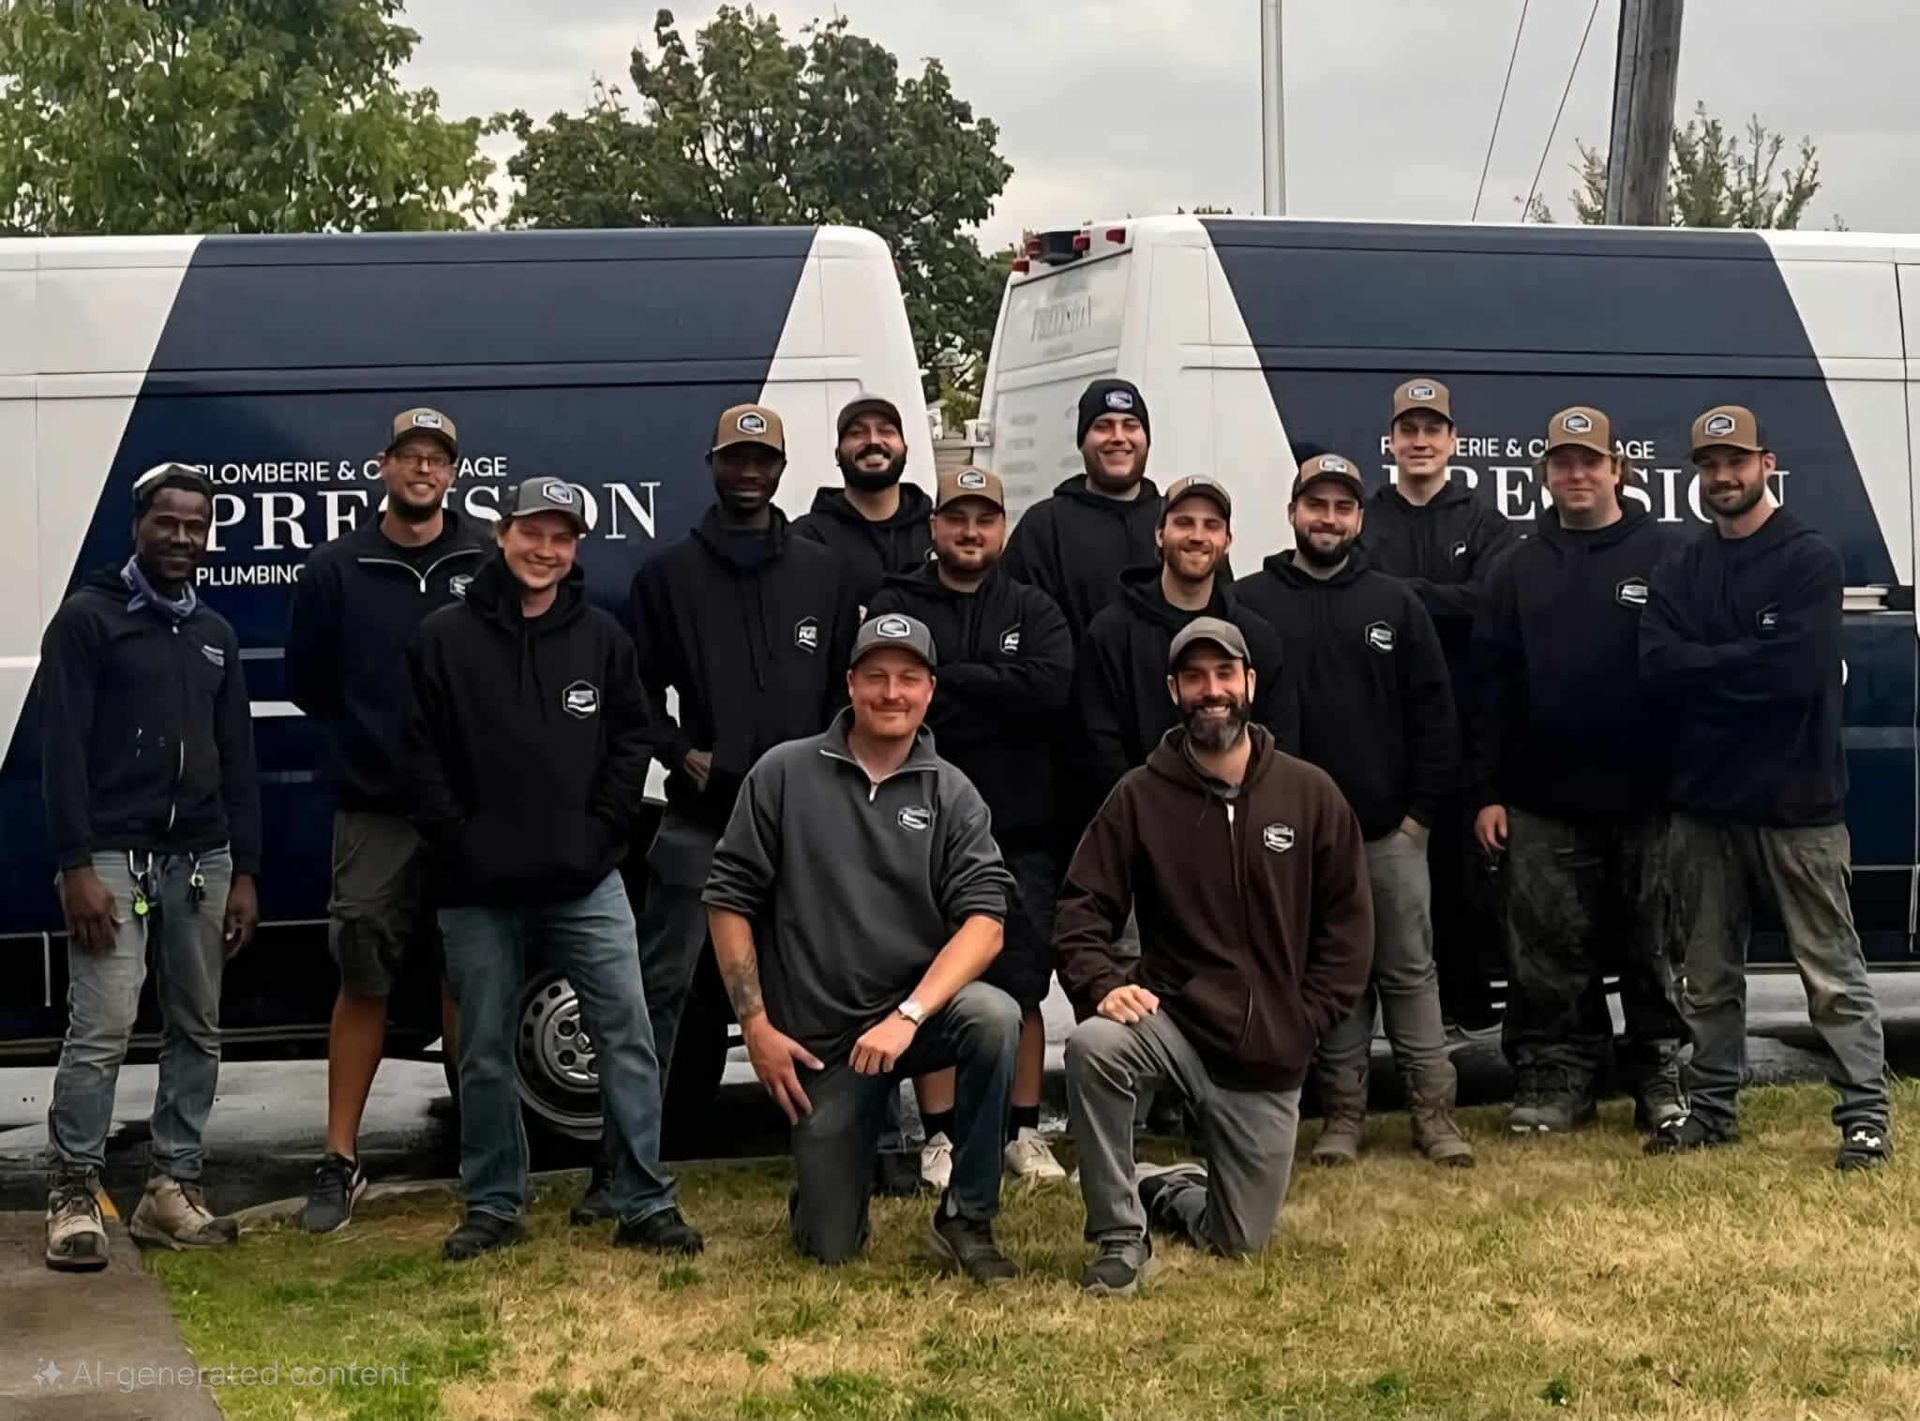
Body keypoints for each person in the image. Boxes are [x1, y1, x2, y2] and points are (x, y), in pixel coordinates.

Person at [405, 478, 702, 1260]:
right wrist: (457, 839)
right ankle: (494, 1201)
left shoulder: (602, 639)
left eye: (562, 537)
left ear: (575, 549)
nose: (546, 550)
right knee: (485, 1050)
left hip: (585, 882)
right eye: (533, 532)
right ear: (502, 534)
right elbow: (420, 753)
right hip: (475, 887)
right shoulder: (443, 636)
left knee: (627, 1035)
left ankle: (641, 1196)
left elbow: (630, 741)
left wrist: (600, 834)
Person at [592, 404, 860, 1224]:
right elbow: (628, 693)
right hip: (700, 820)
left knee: (818, 987)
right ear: (712, 464)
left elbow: (847, 694)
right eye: (735, 458)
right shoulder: (667, 576)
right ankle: (622, 1169)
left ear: (782, 469)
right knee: (658, 991)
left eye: (763, 459)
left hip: (802, 822)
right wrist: (679, 751)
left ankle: (833, 1153)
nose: (750, 471)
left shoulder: (825, 572)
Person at [1056, 618, 1373, 1294]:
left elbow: (1349, 928)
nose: (1212, 691)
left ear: (1250, 683)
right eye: (1195, 677)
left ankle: (1168, 1189)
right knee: (1094, 1045)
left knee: (1239, 1241)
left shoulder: (1311, 793)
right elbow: (1081, 907)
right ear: (1174, 690)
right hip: (1175, 1021)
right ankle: (1119, 1237)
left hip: (1268, 1052)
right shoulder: (1139, 795)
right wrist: (1102, 983)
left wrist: (1304, 1017)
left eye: (1225, 674)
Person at [702, 614, 1021, 1279]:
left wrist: (908, 1016)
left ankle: (967, 1215)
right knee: (829, 1247)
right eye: (875, 675)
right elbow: (729, 898)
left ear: (930, 690)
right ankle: (828, 1173)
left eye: (908, 677)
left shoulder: (952, 792)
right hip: (824, 1047)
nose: (891, 692)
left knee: (994, 1016)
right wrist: (754, 1024)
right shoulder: (782, 774)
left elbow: (986, 923)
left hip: (912, 1022)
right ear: (850, 682)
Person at [1639, 404, 1891, 1169]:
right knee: (1707, 974)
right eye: (1709, 466)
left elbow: (1797, 675)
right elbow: (1657, 667)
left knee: (1832, 973)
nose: (1722, 477)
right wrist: (1745, 659)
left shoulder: (1809, 558)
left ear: (1766, 463)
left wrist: (1709, 664)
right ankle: (1711, 1108)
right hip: (1705, 807)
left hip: (1798, 807)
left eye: (1735, 462)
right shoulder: (1683, 566)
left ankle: (1864, 1117)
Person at [40, 462, 261, 1271]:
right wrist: (75, 866)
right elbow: (59, 755)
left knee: (197, 1027)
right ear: (138, 523)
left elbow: (239, 762)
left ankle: (172, 1188)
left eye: (196, 525)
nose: (182, 538)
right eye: (167, 522)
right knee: (101, 1026)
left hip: (202, 858)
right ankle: (72, 1192)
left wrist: (246, 871)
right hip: (111, 856)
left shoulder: (214, 634)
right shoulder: (88, 622)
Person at [286, 407, 491, 1234]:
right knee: (363, 975)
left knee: (466, 979)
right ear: (383, 467)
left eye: (437, 459)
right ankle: (341, 1159)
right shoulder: (337, 567)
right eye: (409, 456)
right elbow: (310, 682)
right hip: (375, 809)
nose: (422, 470)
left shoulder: (484, 557)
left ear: (452, 474)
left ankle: (485, 1158)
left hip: (468, 810)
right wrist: (377, 745)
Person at [1234, 454, 1470, 1167]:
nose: (1328, 518)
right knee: (1330, 977)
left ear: (1359, 518)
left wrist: (1420, 816)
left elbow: (1436, 713)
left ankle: (1436, 1116)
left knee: (1409, 971)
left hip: (1390, 829)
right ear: (1292, 512)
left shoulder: (1396, 603)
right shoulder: (1250, 603)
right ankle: (1343, 1115)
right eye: (1316, 505)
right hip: (1296, 838)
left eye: (1342, 507)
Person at [1469, 406, 1685, 1136]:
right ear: (1546, 476)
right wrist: (1489, 792)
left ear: (1618, 468)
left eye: (1590, 460)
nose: (1577, 474)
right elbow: (1489, 688)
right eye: (1562, 462)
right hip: (1541, 799)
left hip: (1650, 797)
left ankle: (1662, 1069)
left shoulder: (1665, 555)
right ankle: (1558, 1073)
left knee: (1655, 941)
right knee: (1548, 951)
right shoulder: (1516, 567)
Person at [870, 468, 1075, 1186]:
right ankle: (942, 1137)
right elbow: (893, 700)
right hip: (919, 829)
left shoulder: (1033, 605)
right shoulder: (898, 601)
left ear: (1001, 528)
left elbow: (1050, 691)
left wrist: (952, 678)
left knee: (1020, 986)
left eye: (984, 518)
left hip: (1020, 831)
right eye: (956, 517)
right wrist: (994, 684)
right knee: (930, 982)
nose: (969, 531)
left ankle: (1023, 1132)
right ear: (935, 527)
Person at [1364, 379, 1518, 1038]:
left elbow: (1493, 605)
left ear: (1454, 441)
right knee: (1389, 894)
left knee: (1460, 891)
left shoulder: (1484, 521)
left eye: (1432, 429)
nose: (1420, 441)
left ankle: (1465, 1023)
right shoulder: (1367, 517)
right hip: (1381, 735)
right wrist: (1439, 598)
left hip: (1463, 735)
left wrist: (1402, 595)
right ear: (1391, 441)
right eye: (1409, 429)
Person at [1079, 475, 1295, 808]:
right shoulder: (1111, 632)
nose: (1197, 537)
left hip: (1237, 825)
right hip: (1141, 825)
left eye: (1211, 525)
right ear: (1160, 534)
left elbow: (1278, 739)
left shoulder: (1256, 636)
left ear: (1227, 540)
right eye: (1184, 523)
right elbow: (1099, 744)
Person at [1001, 378, 1162, 646]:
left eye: (1131, 426)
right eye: (1103, 426)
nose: (1119, 437)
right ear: (1081, 441)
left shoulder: (1176, 523)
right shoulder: (1043, 528)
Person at [792, 394, 934, 606]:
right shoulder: (806, 538)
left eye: (886, 431)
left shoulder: (936, 532)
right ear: (837, 455)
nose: (873, 441)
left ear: (905, 449)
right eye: (857, 433)